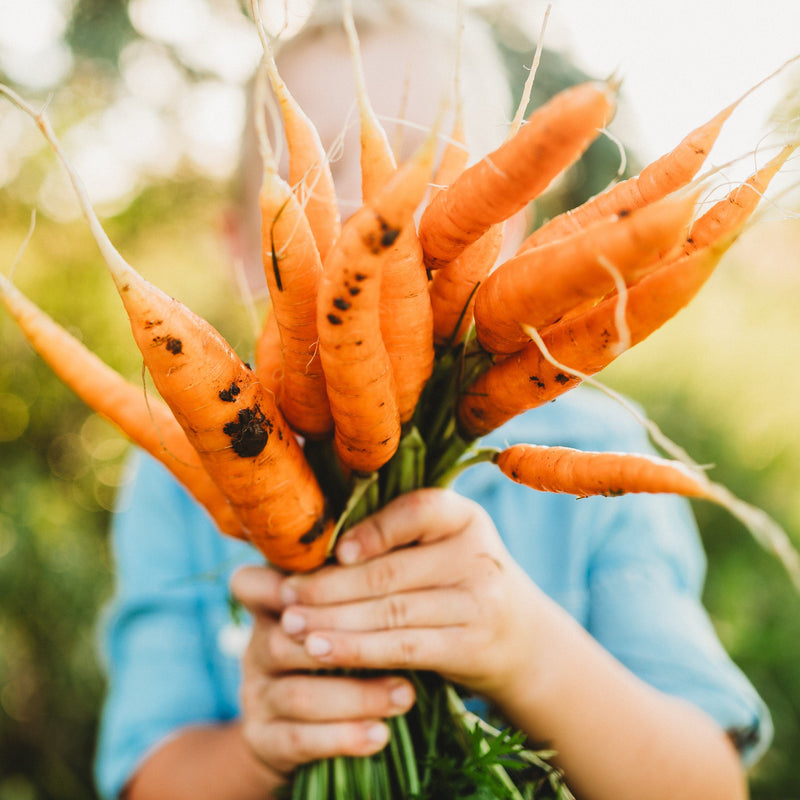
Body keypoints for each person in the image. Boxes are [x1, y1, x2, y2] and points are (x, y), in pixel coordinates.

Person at [93, 2, 771, 798]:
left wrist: (531, 654)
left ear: (509, 226)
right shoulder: (179, 478)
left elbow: (707, 785)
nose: (378, 221)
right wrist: (259, 747)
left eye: (435, 174)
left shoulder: (597, 461)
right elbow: (148, 780)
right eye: (318, 178)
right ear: (247, 251)